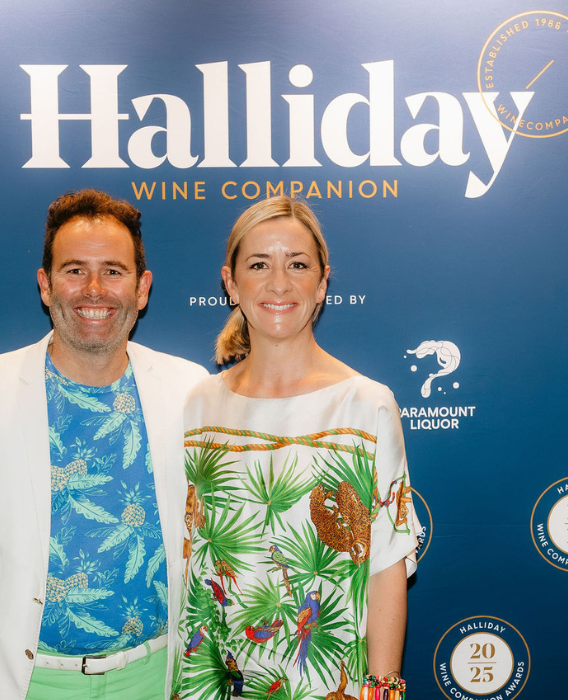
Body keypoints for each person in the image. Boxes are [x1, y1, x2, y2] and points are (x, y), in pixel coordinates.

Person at [0, 189, 209, 700]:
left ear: (142, 287)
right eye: (74, 270)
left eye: (113, 270)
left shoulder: (190, 389)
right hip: (19, 681)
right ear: (46, 284)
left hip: (159, 677)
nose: (94, 289)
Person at [175, 197, 417, 699]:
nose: (279, 283)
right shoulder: (200, 405)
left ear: (323, 282)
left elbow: (387, 563)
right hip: (213, 682)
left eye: (298, 265)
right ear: (230, 282)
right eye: (259, 265)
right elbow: (192, 560)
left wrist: (383, 690)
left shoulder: (366, 405)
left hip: (331, 685)